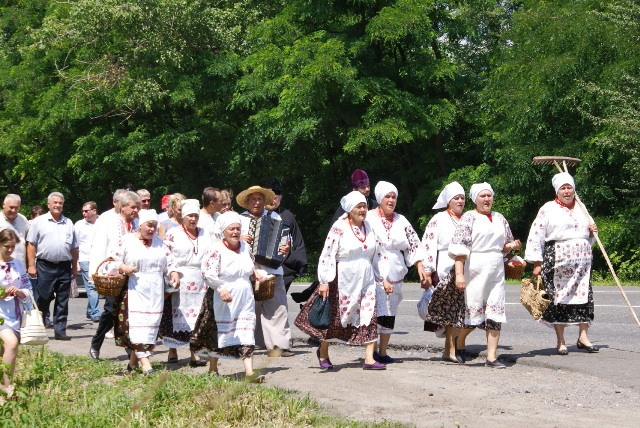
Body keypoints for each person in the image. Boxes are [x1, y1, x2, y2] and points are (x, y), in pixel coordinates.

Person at [295, 191, 389, 370]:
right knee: (335, 319)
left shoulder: (369, 227)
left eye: (364, 206)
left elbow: (378, 253)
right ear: (350, 209)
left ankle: (369, 358)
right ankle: (323, 352)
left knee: (369, 314)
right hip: (343, 278)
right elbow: (327, 254)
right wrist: (324, 281)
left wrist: (382, 278)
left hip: (366, 278)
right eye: (359, 207)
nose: (363, 210)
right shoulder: (339, 227)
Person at [524, 172, 599, 355]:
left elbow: (589, 235)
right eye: (563, 188)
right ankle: (561, 341)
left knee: (585, 298)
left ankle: (583, 337)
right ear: (557, 191)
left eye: (569, 187)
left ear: (574, 190)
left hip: (582, 264)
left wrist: (592, 232)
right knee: (559, 300)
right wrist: (536, 262)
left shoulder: (581, 207)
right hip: (557, 261)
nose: (567, 191)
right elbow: (536, 235)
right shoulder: (548, 209)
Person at [448, 183, 520, 368]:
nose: (487, 199)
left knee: (495, 313)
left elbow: (504, 245)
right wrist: (459, 274)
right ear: (475, 199)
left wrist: (512, 247)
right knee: (474, 315)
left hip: (496, 270)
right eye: (483, 196)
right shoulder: (469, 218)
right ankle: (459, 341)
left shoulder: (500, 218)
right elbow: (459, 248)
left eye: (489, 195)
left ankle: (491, 357)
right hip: (475, 270)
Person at [102, 209, 179, 375]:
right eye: (149, 226)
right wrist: (122, 267)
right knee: (137, 326)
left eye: (154, 226)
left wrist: (173, 273)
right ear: (140, 225)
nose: (152, 229)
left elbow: (170, 262)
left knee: (150, 325)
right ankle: (146, 364)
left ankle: (132, 364)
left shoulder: (160, 243)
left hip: (155, 290)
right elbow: (109, 262)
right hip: (134, 289)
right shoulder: (126, 241)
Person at [202, 211, 266, 381]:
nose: (235, 232)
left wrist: (255, 273)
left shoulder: (245, 247)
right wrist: (220, 288)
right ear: (223, 231)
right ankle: (213, 369)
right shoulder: (215, 249)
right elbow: (208, 273)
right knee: (219, 331)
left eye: (238, 229)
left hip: (245, 295)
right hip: (223, 295)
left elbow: (249, 265)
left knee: (247, 330)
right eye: (232, 229)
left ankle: (249, 372)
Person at [367, 181, 427, 363]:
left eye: (394, 197)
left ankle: (383, 352)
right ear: (380, 198)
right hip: (373, 267)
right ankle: (370, 353)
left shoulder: (401, 220)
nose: (391, 200)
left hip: (395, 270)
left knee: (389, 311)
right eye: (388, 196)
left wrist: (420, 266)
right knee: (374, 311)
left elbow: (414, 243)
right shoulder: (369, 218)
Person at [237, 185, 293, 357]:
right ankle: (243, 344)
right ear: (247, 202)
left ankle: (279, 346)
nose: (257, 202)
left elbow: (286, 238)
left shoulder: (274, 216)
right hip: (248, 270)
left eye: (260, 199)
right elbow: (225, 238)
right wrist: (239, 238)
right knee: (246, 309)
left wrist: (286, 247)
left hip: (272, 269)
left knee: (277, 308)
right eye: (253, 199)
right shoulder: (239, 219)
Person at [422, 182, 473, 363]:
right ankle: (451, 349)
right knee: (452, 309)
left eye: (462, 198)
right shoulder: (438, 219)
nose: (460, 201)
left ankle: (449, 349)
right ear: (448, 201)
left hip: (466, 267)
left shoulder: (469, 218)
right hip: (445, 266)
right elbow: (428, 244)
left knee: (461, 309)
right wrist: (428, 270)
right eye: (456, 198)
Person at [161, 199, 213, 367]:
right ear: (183, 216)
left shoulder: (205, 234)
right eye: (190, 216)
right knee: (176, 316)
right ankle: (172, 350)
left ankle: (194, 352)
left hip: (200, 280)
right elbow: (166, 255)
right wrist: (173, 271)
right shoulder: (173, 234)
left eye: (196, 216)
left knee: (197, 317)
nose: (193, 219)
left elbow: (212, 253)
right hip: (180, 279)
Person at [88, 191, 140, 359]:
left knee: (130, 311)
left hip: (133, 274)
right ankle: (96, 343)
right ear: (122, 206)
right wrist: (95, 272)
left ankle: (130, 349)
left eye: (137, 208)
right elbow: (99, 246)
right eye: (133, 207)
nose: (136, 211)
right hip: (113, 273)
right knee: (110, 311)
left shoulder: (137, 223)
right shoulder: (107, 220)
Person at [26, 192, 78, 341]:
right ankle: (40, 325)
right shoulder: (39, 222)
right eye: (55, 202)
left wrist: (74, 266)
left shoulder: (68, 223)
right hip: (45, 265)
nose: (58, 205)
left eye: (60, 203)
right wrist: (31, 265)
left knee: (63, 300)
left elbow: (74, 248)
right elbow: (31, 244)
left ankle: (60, 331)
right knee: (43, 297)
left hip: (64, 266)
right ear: (48, 204)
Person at [0, 229, 32, 400]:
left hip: (15, 313)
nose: (10, 250)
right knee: (11, 344)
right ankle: (8, 388)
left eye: (13, 246)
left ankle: (2, 387)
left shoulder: (18, 264)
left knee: (5, 351)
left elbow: (27, 288)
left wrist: (19, 292)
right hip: (0, 314)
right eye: (7, 246)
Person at [264, 178, 307, 291]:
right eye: (269, 198)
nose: (272, 201)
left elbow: (297, 241)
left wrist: (290, 251)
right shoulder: (256, 214)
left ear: (280, 198)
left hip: (282, 268)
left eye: (275, 198)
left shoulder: (288, 216)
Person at [74, 201, 101, 322]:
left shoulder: (103, 222)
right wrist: (76, 262)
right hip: (85, 259)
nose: (84, 213)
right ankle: (96, 313)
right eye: (83, 211)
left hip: (100, 259)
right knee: (92, 286)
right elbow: (74, 245)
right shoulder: (79, 225)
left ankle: (90, 310)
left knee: (96, 286)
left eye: (86, 211)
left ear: (94, 211)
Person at [1, 194, 29, 265]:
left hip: (20, 264)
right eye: (11, 207)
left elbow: (28, 243)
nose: (13, 210)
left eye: (16, 208)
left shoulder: (23, 220)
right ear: (3, 205)